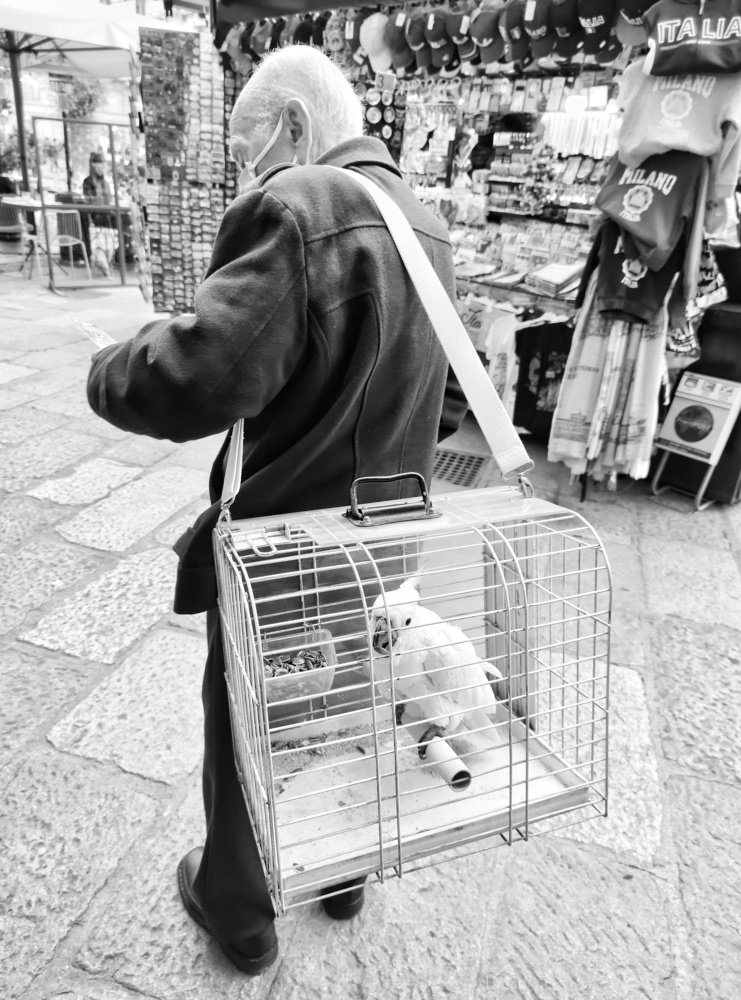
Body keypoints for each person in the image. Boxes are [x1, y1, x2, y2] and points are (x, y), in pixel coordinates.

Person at [86, 45, 465, 976]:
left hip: (287, 552)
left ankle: (241, 915)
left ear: (294, 125)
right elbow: (442, 398)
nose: (250, 175)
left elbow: (196, 377)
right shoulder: (427, 224)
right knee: (352, 706)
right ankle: (344, 873)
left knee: (252, 724)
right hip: (387, 544)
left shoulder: (302, 207)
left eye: (249, 153)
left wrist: (106, 365)